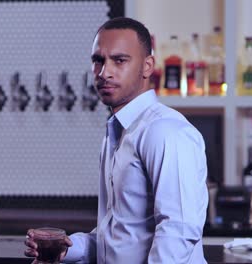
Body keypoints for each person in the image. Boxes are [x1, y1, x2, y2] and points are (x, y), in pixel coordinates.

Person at [25, 17, 208, 263]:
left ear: (147, 66)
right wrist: (69, 248)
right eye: (98, 61)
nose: (104, 72)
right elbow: (119, 236)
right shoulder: (119, 133)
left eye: (119, 60)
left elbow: (179, 230)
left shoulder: (165, 131)